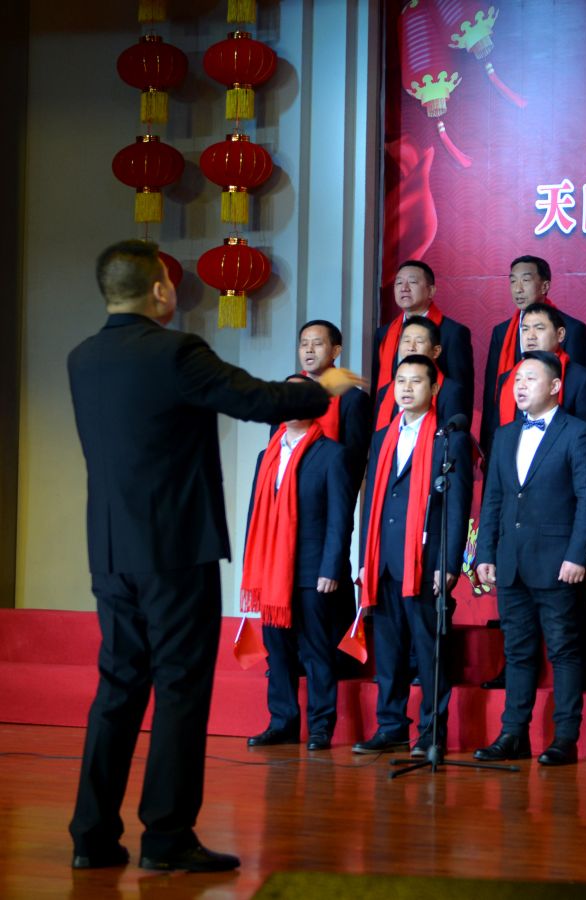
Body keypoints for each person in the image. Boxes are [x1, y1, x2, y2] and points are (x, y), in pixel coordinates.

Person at [68, 239, 362, 873]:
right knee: (179, 687)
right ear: (159, 291)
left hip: (112, 550)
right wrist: (324, 387)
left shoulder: (82, 358)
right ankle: (167, 836)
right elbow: (259, 400)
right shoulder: (176, 351)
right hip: (176, 548)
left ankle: (91, 836)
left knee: (118, 686)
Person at [474, 351, 586, 764]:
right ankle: (513, 734)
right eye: (517, 380)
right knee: (517, 651)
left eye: (530, 378)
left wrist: (578, 555)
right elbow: (493, 498)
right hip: (511, 562)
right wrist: (485, 552)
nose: (521, 386)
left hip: (558, 563)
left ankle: (565, 738)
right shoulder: (505, 434)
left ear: (555, 386)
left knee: (564, 652)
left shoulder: (577, 432)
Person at [353, 355, 472, 760]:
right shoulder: (382, 437)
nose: (405, 388)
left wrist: (449, 563)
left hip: (425, 560)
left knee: (429, 651)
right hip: (386, 559)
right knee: (388, 651)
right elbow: (373, 500)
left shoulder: (448, 438)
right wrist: (365, 558)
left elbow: (456, 506)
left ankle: (431, 733)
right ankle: (390, 727)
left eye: (415, 381)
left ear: (434, 389)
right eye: (400, 381)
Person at [240, 377, 355, 753]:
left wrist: (331, 567)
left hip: (311, 569)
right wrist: (252, 567)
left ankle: (321, 726)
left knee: (316, 649)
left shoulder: (332, 454)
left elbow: (341, 518)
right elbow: (255, 517)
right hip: (271, 571)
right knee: (278, 650)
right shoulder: (267, 456)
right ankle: (282, 722)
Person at [480, 256, 586, 456]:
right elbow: (492, 392)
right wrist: (487, 446)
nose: (518, 288)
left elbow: (574, 387)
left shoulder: (573, 329)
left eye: (525, 280)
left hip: (558, 444)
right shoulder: (502, 332)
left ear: (545, 286)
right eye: (513, 281)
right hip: (511, 441)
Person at [485, 303, 586, 460]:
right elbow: (495, 437)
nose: (530, 336)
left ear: (560, 334)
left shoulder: (581, 380)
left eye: (539, 328)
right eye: (525, 329)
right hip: (511, 467)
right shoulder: (507, 379)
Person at [371, 259, 473, 410]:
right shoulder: (384, 334)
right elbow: (376, 389)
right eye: (399, 283)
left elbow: (461, 394)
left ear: (431, 291)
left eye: (412, 282)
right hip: (391, 419)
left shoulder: (452, 333)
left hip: (435, 418)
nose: (404, 288)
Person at [297, 319, 373, 488]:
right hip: (286, 490)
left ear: (335, 351)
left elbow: (355, 463)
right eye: (304, 344)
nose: (309, 350)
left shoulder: (352, 398)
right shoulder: (288, 393)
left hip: (328, 492)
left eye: (317, 344)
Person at [372, 315, 472, 431]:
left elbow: (454, 438)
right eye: (406, 341)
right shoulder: (385, 392)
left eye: (419, 341)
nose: (411, 347)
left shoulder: (450, 392)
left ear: (436, 351)